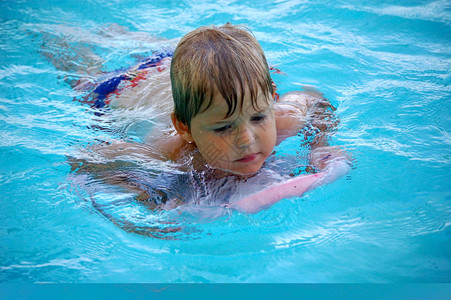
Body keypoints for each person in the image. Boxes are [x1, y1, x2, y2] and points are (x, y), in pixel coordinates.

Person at [63, 23, 350, 214]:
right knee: (81, 70)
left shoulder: (283, 117)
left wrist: (319, 146)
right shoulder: (170, 152)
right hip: (124, 88)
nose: (247, 139)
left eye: (258, 117)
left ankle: (124, 33)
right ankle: (67, 36)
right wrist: (151, 196)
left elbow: (315, 100)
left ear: (272, 99)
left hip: (182, 66)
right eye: (224, 127)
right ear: (184, 128)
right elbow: (88, 158)